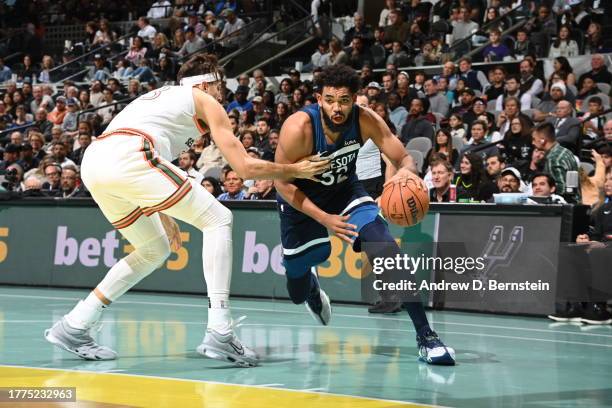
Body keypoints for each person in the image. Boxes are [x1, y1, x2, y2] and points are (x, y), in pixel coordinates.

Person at [44, 54, 329, 368]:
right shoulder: (204, 100)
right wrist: (295, 170)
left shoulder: (163, 100)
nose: (223, 95)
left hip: (96, 163)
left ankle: (75, 324)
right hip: (129, 156)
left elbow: (147, 160)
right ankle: (220, 329)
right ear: (206, 83)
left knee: (154, 248)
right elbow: (245, 168)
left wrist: (162, 213)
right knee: (219, 218)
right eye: (219, 86)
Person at [273, 65, 455, 365]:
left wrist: (403, 176)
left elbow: (404, 157)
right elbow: (281, 183)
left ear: (354, 99)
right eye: (330, 99)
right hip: (301, 201)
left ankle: (426, 336)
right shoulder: (299, 128)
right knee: (296, 288)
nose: (337, 107)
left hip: (346, 191)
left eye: (344, 100)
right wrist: (324, 218)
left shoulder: (365, 119)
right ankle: (312, 290)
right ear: (319, 99)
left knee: (388, 252)